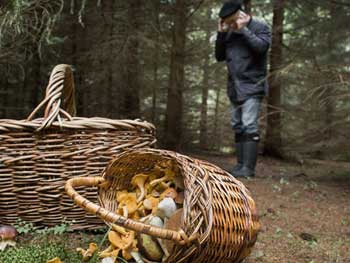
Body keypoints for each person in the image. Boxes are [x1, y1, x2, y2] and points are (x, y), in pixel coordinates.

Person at [215, 0, 271, 177]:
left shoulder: (259, 26)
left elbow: (261, 48)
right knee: (237, 125)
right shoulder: (229, 33)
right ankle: (240, 165)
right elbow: (219, 56)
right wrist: (221, 34)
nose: (230, 25)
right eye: (227, 23)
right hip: (234, 87)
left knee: (249, 125)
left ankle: (248, 169)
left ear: (240, 15)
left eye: (231, 21)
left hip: (252, 85)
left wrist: (244, 30)